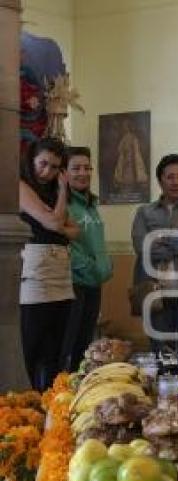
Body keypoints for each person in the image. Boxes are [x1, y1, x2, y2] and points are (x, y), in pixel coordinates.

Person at [131, 154, 178, 364]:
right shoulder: (144, 212)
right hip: (155, 292)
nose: (176, 182)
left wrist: (162, 239)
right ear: (160, 180)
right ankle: (163, 392)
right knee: (160, 351)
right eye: (170, 177)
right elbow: (142, 246)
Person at [18, 137, 79, 391]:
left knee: (56, 348)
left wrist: (60, 199)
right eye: (43, 164)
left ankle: (53, 403)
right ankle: (28, 403)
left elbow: (75, 231)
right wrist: (62, 199)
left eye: (55, 168)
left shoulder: (54, 192)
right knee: (32, 345)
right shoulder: (20, 185)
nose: (47, 172)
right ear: (31, 159)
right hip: (35, 270)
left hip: (60, 271)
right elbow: (55, 224)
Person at [61, 146, 113, 371]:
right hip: (74, 284)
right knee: (68, 345)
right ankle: (60, 396)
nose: (83, 173)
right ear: (64, 172)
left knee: (84, 346)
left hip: (94, 284)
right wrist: (91, 267)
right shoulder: (63, 204)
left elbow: (96, 243)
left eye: (87, 168)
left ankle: (78, 391)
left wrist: (106, 265)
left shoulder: (91, 205)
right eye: (76, 168)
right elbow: (66, 246)